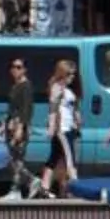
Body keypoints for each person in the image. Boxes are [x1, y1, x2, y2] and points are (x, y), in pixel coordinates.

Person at [45, 58, 80, 197]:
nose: (72, 77)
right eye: (70, 74)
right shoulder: (57, 88)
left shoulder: (65, 89)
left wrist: (76, 120)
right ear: (62, 74)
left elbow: (70, 107)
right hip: (62, 130)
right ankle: (77, 189)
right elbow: (53, 109)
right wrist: (52, 126)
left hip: (69, 128)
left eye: (73, 74)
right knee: (69, 159)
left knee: (54, 159)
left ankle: (44, 187)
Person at [0, 57, 36, 195]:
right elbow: (12, 108)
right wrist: (4, 125)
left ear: (25, 70)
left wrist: (20, 128)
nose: (15, 69)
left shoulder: (26, 86)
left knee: (17, 159)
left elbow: (26, 109)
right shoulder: (15, 85)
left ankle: (16, 189)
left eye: (19, 67)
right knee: (12, 159)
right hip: (11, 126)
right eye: (14, 67)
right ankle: (28, 182)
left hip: (19, 127)